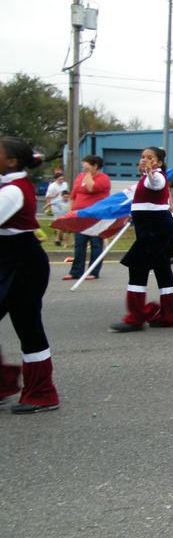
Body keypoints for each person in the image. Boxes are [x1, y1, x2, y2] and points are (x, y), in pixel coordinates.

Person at [0, 137, 59, 413]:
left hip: (24, 263)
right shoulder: (9, 185)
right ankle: (3, 384)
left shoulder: (13, 190)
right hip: (10, 260)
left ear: (11, 161)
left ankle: (42, 393)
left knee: (28, 325)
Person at [109, 147, 173, 332]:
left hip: (156, 229)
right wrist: (135, 216)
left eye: (150, 158)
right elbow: (148, 202)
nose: (144, 160)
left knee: (137, 266)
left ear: (157, 162)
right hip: (158, 227)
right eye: (143, 157)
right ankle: (170, 316)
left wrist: (151, 174)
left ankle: (136, 316)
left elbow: (156, 184)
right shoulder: (147, 178)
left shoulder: (157, 176)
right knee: (161, 267)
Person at [64, 154, 111, 280]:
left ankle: (93, 272)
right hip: (80, 216)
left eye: (85, 164)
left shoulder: (103, 178)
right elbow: (73, 195)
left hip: (96, 218)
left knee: (96, 245)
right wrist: (70, 213)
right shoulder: (80, 177)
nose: (83, 167)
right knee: (79, 244)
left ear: (94, 166)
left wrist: (89, 174)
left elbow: (91, 188)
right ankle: (76, 271)